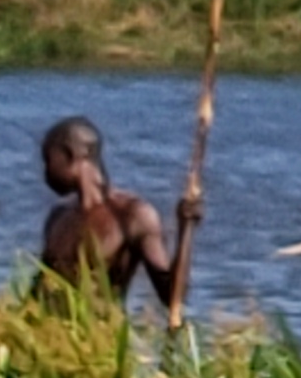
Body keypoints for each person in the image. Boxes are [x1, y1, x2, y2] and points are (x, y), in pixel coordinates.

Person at [35, 116, 199, 317]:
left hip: (102, 338)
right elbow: (39, 293)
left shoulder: (132, 215)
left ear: (71, 155)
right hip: (55, 339)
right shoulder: (58, 218)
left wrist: (185, 231)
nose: (45, 172)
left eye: (48, 160)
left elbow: (172, 296)